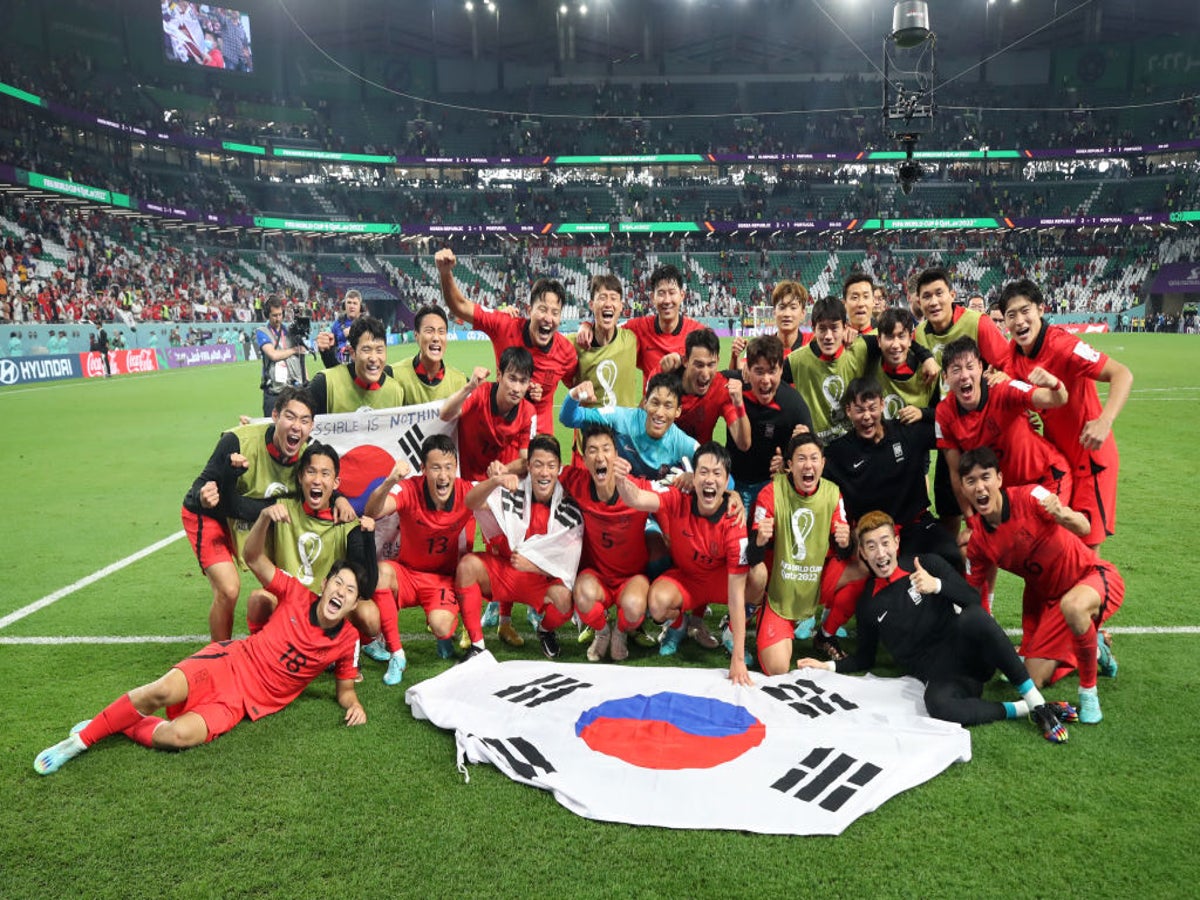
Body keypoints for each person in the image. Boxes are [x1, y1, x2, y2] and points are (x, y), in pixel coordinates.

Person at [34, 505, 367, 775]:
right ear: (324, 585)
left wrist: (353, 706)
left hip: (242, 703)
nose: (341, 592)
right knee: (161, 691)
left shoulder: (348, 639)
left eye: (350, 591)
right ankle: (80, 741)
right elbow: (253, 559)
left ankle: (118, 725)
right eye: (338, 583)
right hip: (230, 662)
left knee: (177, 735)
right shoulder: (295, 593)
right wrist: (264, 517)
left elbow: (346, 690)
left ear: (353, 605)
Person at [796, 511, 1075, 743]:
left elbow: (971, 599)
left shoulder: (926, 564)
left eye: (884, 543)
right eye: (871, 546)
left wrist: (937, 585)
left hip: (971, 656)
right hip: (942, 676)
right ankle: (1024, 708)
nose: (880, 553)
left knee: (973, 617)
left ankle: (1036, 701)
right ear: (863, 554)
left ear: (896, 542)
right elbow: (865, 658)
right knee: (937, 705)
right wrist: (828, 667)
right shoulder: (868, 605)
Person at [959, 448, 1124, 724]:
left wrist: (1063, 514)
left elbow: (1084, 527)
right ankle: (1094, 649)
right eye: (971, 481)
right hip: (1046, 600)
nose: (980, 487)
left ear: (999, 478)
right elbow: (975, 595)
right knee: (1032, 679)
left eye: (985, 477)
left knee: (1074, 606)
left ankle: (1088, 693)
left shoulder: (1031, 495)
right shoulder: (979, 542)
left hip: (1089, 577)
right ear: (963, 488)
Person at [182, 387, 340, 641]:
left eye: (304, 420)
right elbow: (202, 484)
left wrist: (340, 499)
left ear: (311, 427)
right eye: (290, 417)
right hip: (213, 516)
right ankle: (219, 656)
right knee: (229, 589)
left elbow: (325, 481)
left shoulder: (309, 453)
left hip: (253, 516)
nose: (296, 426)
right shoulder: (237, 442)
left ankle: (271, 644)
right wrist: (205, 493)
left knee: (281, 583)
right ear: (275, 416)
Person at [998, 279, 1133, 547]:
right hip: (1058, 465)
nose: (1019, 321)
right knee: (1056, 551)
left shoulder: (1063, 346)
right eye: (1011, 315)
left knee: (1084, 555)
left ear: (1040, 309)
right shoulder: (1014, 354)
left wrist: (1104, 422)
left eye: (1025, 311)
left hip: (1091, 461)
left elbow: (1122, 373)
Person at [614, 442, 753, 682]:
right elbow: (637, 499)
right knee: (657, 604)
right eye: (703, 472)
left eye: (717, 473)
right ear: (693, 476)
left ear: (727, 480)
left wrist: (738, 660)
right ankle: (679, 624)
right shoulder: (679, 497)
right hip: (687, 579)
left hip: (719, 582)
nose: (710, 479)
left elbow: (736, 596)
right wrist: (620, 480)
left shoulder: (734, 521)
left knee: (758, 580)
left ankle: (731, 634)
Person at [455, 434, 584, 660]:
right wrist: (495, 480)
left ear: (559, 468)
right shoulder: (512, 490)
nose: (544, 473)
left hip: (537, 581)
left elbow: (567, 566)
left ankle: (545, 631)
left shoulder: (568, 508)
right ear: (528, 466)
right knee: (467, 566)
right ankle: (477, 645)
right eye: (538, 465)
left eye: (551, 466)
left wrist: (533, 565)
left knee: (565, 599)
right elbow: (470, 501)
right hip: (505, 574)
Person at [361, 434, 475, 683]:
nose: (443, 476)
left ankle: (443, 637)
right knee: (380, 574)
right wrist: (391, 480)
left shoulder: (466, 491)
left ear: (456, 468)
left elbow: (499, 506)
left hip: (443, 579)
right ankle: (397, 654)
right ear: (423, 469)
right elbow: (372, 511)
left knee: (442, 626)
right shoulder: (409, 488)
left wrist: (502, 478)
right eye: (435, 468)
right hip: (408, 574)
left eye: (448, 468)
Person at [242, 444, 381, 644]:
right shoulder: (281, 508)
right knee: (258, 600)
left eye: (325, 474)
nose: (317, 480)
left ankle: (345, 645)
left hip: (328, 604)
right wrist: (263, 516)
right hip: (288, 602)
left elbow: (366, 588)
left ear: (335, 483)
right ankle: (262, 648)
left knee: (370, 615)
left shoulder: (347, 523)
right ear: (300, 477)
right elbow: (239, 510)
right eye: (311, 472)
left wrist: (368, 538)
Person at [825, 377, 961, 569]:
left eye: (872, 408)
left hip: (916, 525)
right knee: (901, 581)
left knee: (955, 555)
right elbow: (810, 470)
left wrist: (925, 413)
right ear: (848, 411)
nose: (866, 416)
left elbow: (952, 425)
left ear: (882, 404)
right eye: (859, 410)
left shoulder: (906, 431)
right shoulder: (838, 453)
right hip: (873, 536)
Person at [437, 248, 577, 435]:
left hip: (540, 447)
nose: (548, 318)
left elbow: (579, 386)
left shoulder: (566, 352)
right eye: (542, 309)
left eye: (555, 312)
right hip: (503, 438)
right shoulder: (505, 326)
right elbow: (460, 306)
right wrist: (445, 273)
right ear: (529, 309)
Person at [936, 336, 1072, 528]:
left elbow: (1056, 399)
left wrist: (1054, 384)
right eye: (956, 370)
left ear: (981, 367)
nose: (964, 375)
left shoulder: (1002, 389)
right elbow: (957, 474)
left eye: (970, 366)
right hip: (1005, 493)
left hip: (1045, 477)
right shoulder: (944, 413)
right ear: (945, 377)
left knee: (1043, 541)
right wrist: (971, 520)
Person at [747, 433, 852, 672]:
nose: (808, 465)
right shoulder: (771, 492)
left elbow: (844, 552)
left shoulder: (833, 494)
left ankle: (826, 629)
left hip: (815, 588)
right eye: (801, 459)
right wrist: (760, 540)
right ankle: (763, 618)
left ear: (823, 464)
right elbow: (752, 556)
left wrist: (846, 542)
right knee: (777, 669)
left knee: (866, 565)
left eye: (814, 458)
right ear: (789, 465)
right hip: (780, 595)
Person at [558, 424, 654, 663]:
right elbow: (542, 467)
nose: (599, 456)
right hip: (597, 576)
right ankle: (602, 632)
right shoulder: (576, 481)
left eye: (606, 449)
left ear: (616, 455)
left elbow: (674, 498)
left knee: (633, 607)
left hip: (632, 578)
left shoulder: (638, 489)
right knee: (582, 596)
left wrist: (731, 493)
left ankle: (621, 632)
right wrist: (508, 468)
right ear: (584, 458)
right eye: (592, 450)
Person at [722, 334, 813, 511]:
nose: (765, 379)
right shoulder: (732, 386)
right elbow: (697, 379)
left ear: (781, 371)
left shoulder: (793, 404)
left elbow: (812, 452)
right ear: (747, 370)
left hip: (770, 485)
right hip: (731, 481)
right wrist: (678, 361)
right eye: (759, 371)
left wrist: (789, 460)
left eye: (772, 371)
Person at [439, 346, 535, 482]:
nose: (516, 389)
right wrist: (469, 387)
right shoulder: (481, 393)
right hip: (467, 482)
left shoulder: (528, 412)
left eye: (523, 381)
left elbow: (527, 460)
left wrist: (505, 469)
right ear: (499, 375)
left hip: (498, 482)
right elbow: (445, 414)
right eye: (512, 379)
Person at [912, 267, 1009, 369]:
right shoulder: (917, 336)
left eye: (939, 293)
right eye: (927, 296)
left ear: (952, 295)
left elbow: (1008, 363)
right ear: (919, 303)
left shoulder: (979, 323)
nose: (934, 302)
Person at [306, 316, 403, 414]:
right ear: (352, 353)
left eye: (379, 350)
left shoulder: (396, 391)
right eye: (366, 350)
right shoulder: (324, 384)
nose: (374, 358)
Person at [676, 327, 751, 449]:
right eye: (699, 365)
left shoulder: (720, 388)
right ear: (685, 361)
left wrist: (739, 404)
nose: (705, 374)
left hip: (700, 463)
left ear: (718, 361)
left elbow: (743, 444)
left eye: (711, 364)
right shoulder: (668, 380)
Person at [388, 304, 469, 404]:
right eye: (429, 331)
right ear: (416, 335)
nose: (436, 338)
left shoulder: (461, 382)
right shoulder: (393, 376)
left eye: (441, 332)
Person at [729, 279, 810, 369]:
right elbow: (739, 373)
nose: (787, 314)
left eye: (793, 308)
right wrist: (735, 356)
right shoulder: (761, 346)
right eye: (782, 307)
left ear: (803, 313)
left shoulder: (813, 344)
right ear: (774, 312)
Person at [255, 296, 307, 418]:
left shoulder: (289, 331)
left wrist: (306, 381)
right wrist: (294, 350)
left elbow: (300, 358)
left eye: (280, 314)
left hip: (290, 388)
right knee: (271, 426)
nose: (278, 319)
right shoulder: (262, 331)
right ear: (267, 315)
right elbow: (273, 355)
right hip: (273, 389)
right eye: (274, 315)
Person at [317, 289, 364, 366]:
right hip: (339, 366)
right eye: (349, 302)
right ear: (344, 305)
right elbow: (332, 347)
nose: (351, 306)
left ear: (360, 307)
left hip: (359, 367)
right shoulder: (337, 324)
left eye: (355, 303)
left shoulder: (367, 324)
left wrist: (355, 333)